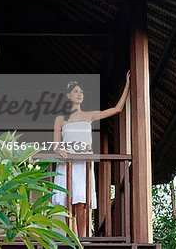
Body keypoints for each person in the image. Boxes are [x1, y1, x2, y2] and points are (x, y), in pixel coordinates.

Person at [52, 70, 130, 237]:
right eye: (75, 91)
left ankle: (82, 240)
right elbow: (56, 146)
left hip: (83, 163)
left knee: (82, 203)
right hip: (68, 162)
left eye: (81, 91)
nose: (79, 94)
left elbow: (117, 109)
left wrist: (128, 85)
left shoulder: (89, 115)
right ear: (68, 95)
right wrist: (60, 150)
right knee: (69, 205)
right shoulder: (60, 118)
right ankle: (72, 238)